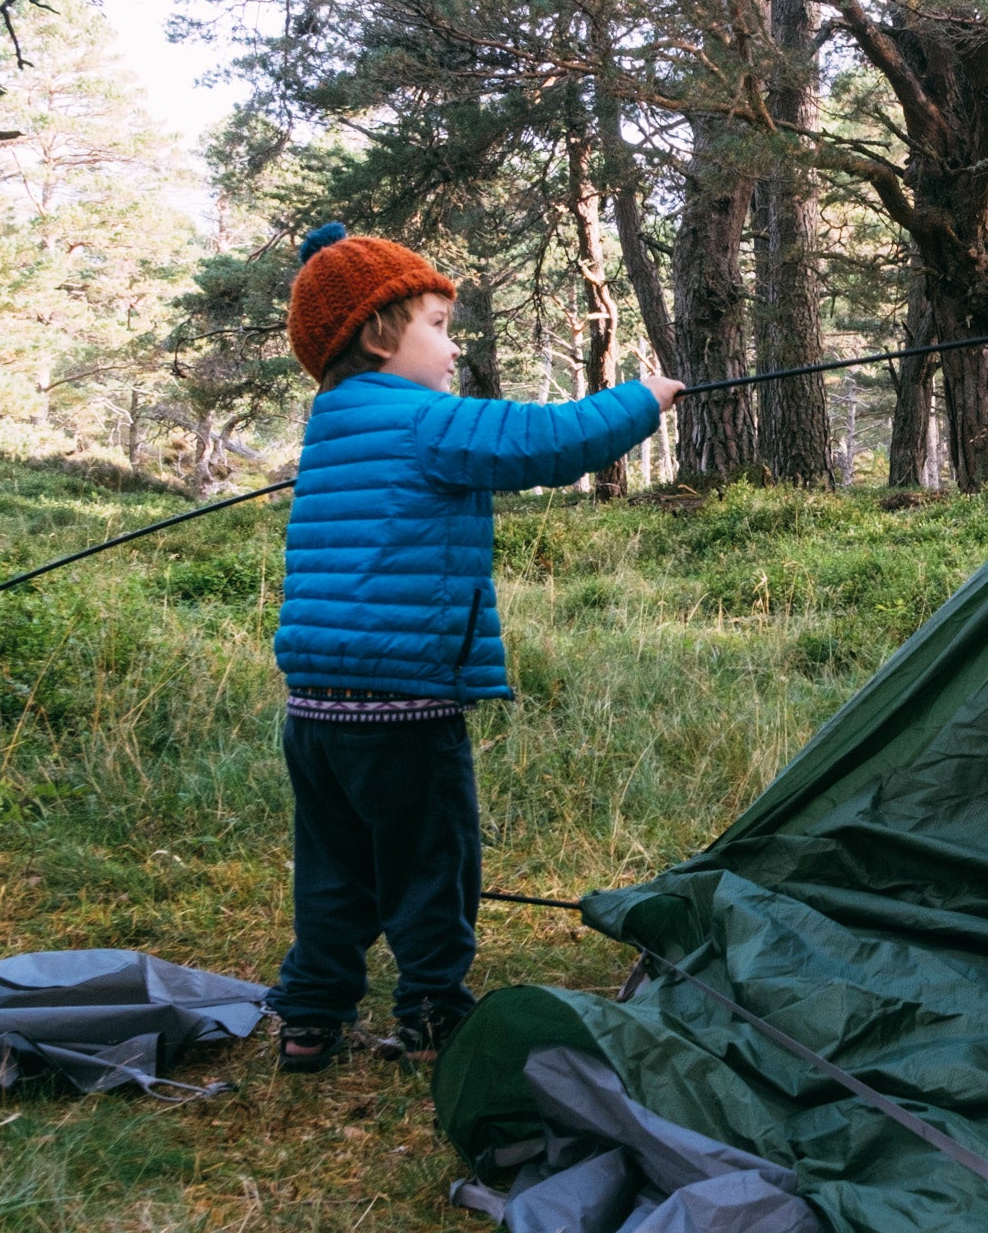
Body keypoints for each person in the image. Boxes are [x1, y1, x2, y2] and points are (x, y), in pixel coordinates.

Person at [266, 222, 680, 1070]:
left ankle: (310, 1018)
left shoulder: (330, 426)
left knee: (334, 868)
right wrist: (644, 399)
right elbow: (547, 443)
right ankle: (429, 1011)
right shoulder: (426, 422)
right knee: (433, 864)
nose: (453, 350)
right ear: (376, 335)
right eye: (438, 326)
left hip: (313, 706)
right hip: (405, 703)